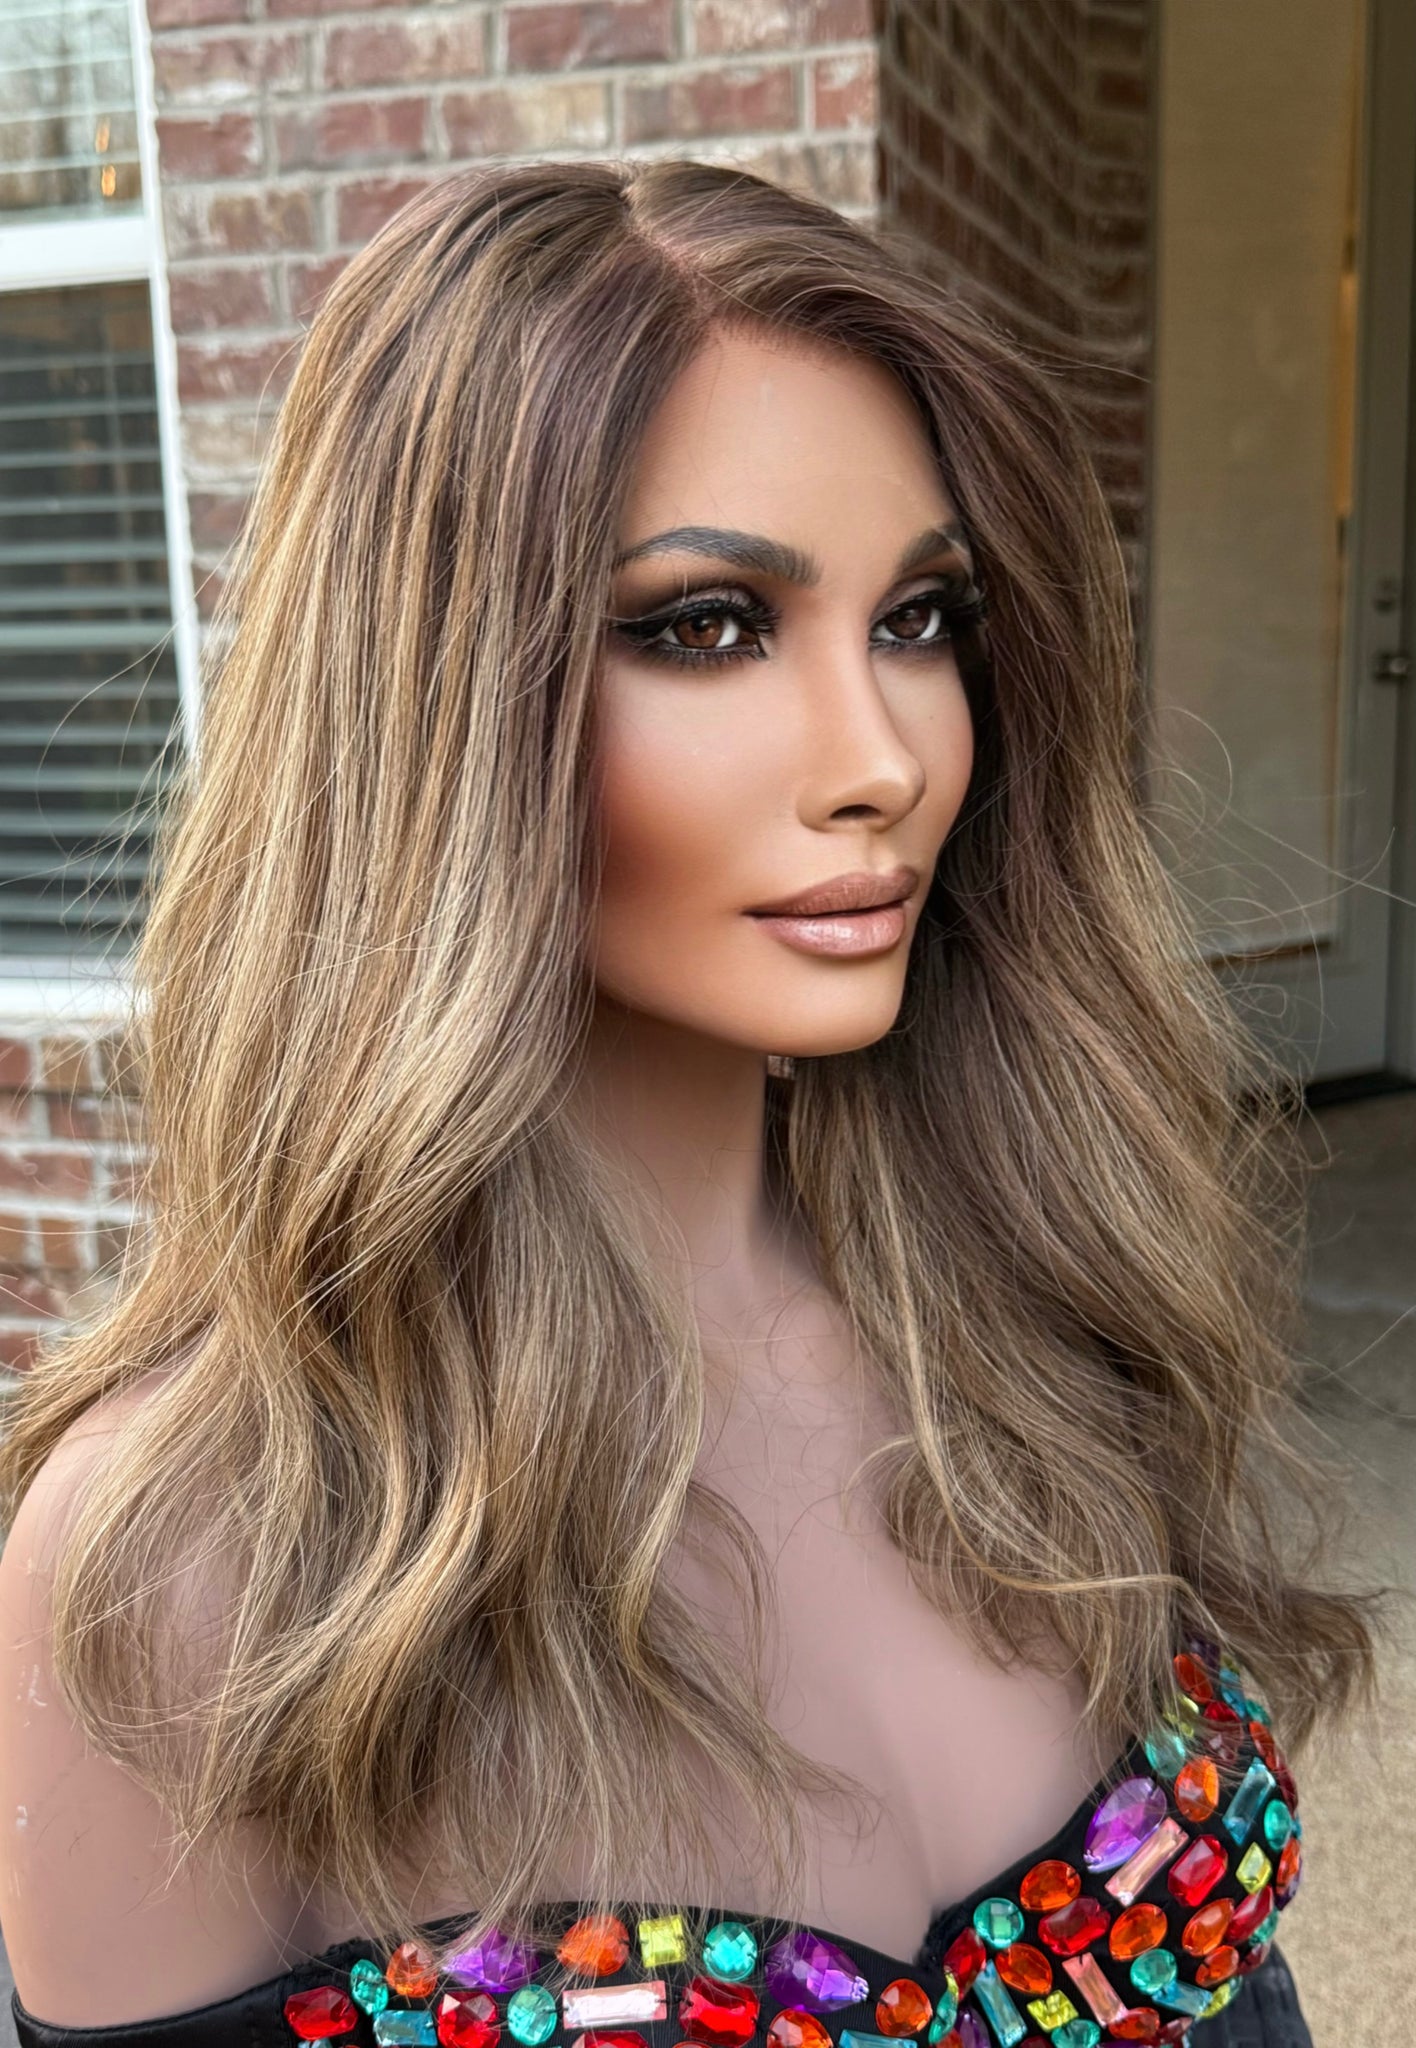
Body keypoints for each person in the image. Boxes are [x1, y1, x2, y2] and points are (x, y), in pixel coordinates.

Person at [0, 158, 1373, 2048]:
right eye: (710, 624)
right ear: (436, 708)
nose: (884, 757)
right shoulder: (186, 1566)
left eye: (921, 619)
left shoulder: (1043, 1321)